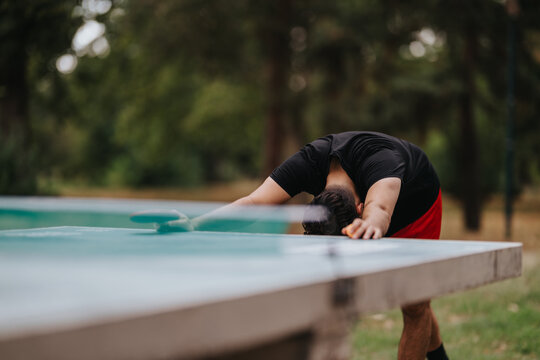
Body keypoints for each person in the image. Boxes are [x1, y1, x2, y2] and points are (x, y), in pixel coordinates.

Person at [168, 131, 448, 360]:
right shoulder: (308, 162)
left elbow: (380, 210)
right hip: (372, 213)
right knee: (416, 301)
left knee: (414, 305)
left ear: (359, 209)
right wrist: (194, 224)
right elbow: (253, 204)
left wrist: (372, 223)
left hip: (417, 206)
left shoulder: (383, 165)